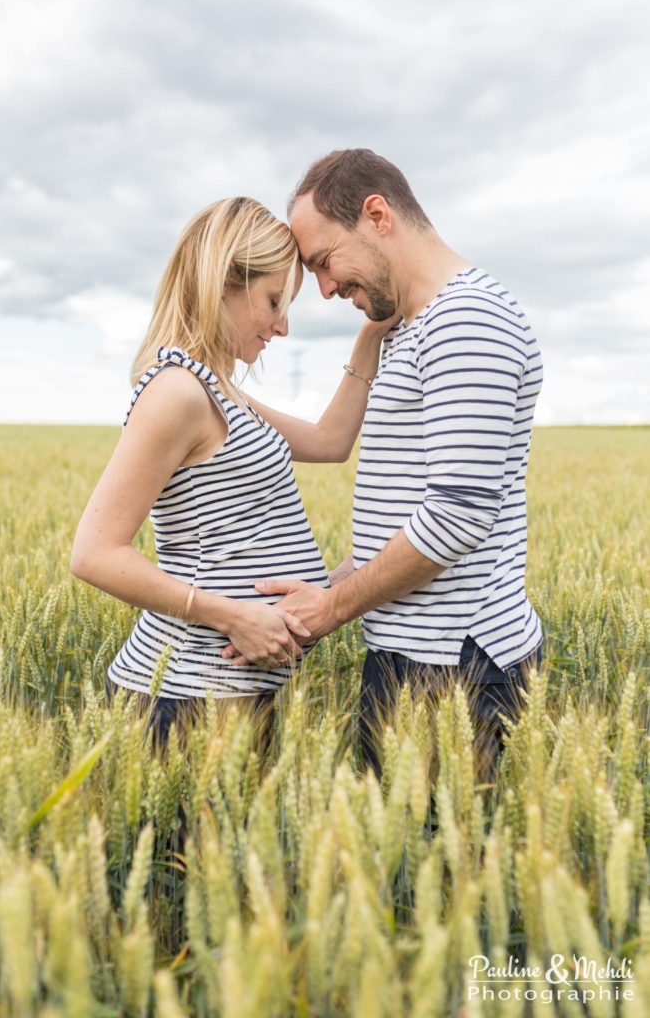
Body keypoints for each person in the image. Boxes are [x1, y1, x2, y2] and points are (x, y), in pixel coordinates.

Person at [226, 150, 544, 778]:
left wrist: (334, 610)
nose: (323, 288)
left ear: (377, 215)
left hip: (459, 669)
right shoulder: (413, 327)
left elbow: (456, 514)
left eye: (323, 261)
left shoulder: (468, 321)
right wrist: (333, 588)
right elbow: (410, 511)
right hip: (415, 659)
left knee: (450, 872)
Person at [71, 196, 395, 751]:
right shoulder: (177, 392)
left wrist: (371, 334)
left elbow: (329, 441)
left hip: (228, 693)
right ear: (222, 281)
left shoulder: (217, 390)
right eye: (273, 300)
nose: (283, 325)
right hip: (184, 696)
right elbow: (94, 553)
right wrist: (233, 617)